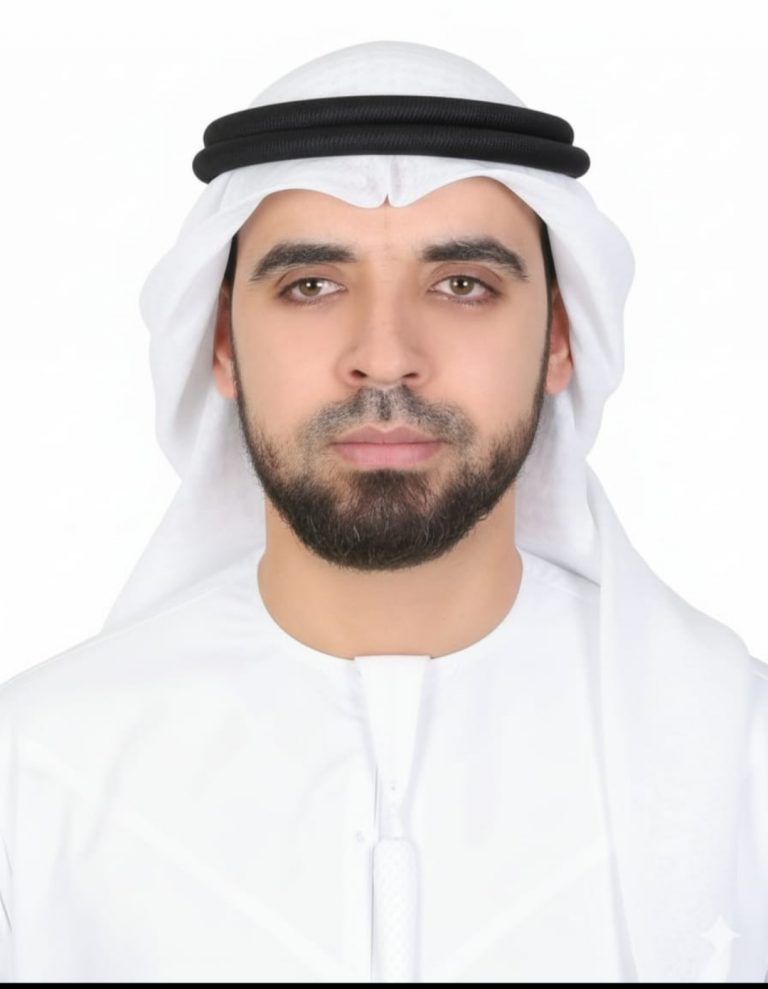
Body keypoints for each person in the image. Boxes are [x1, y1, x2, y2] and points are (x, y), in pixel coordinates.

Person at [1, 40, 766, 983]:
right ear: (223, 344)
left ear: (560, 341)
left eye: (463, 285)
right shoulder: (34, 776)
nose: (387, 356)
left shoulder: (740, 762)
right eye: (311, 286)